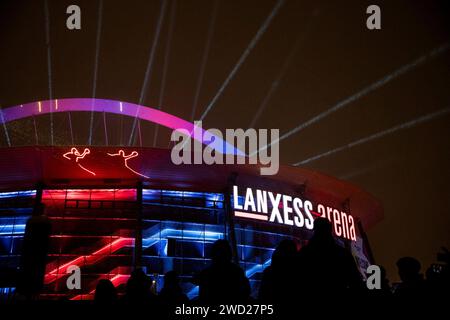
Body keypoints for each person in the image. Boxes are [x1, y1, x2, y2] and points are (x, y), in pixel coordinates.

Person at [296, 218, 364, 296]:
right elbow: (355, 281)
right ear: (330, 229)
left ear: (315, 230)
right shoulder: (342, 253)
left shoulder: (305, 252)